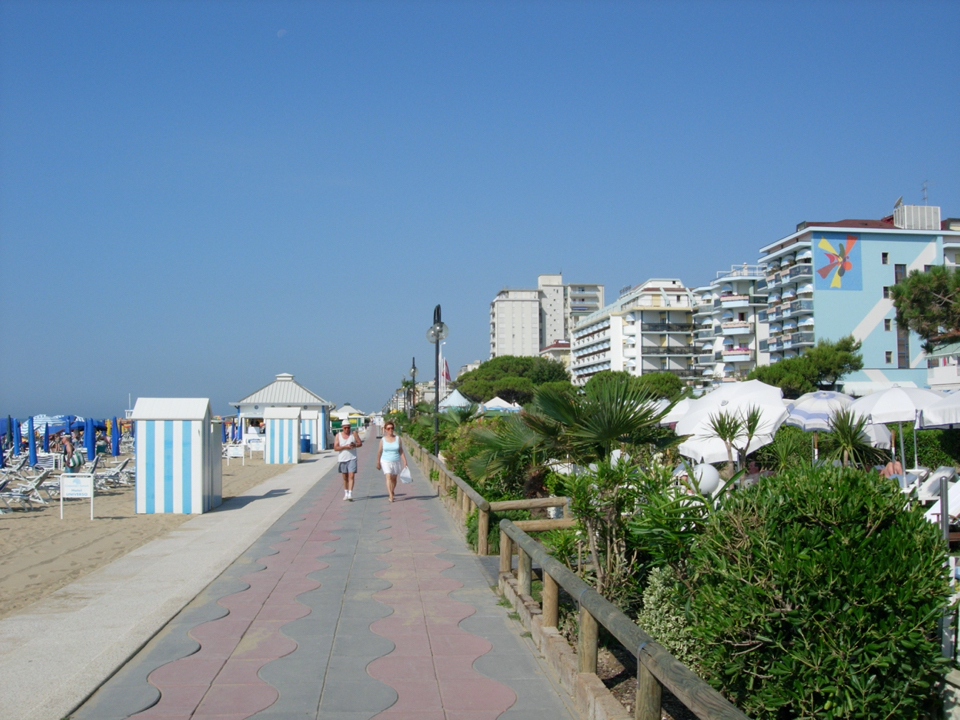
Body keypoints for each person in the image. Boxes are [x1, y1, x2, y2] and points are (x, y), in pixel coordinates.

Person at [376, 420, 407, 502]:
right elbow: (379, 451)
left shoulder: (398, 439)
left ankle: (392, 491)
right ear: (385, 430)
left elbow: (401, 450)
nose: (390, 430)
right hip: (385, 461)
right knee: (388, 476)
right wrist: (378, 462)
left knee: (394, 478)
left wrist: (404, 461)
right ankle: (390, 495)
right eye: (388, 428)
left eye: (392, 428)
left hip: (396, 460)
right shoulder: (383, 440)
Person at [334, 421, 362, 501]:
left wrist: (355, 445)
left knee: (351, 475)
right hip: (342, 459)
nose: (347, 429)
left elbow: (360, 443)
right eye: (345, 427)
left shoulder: (353, 434)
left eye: (348, 427)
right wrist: (344, 447)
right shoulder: (338, 435)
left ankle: (350, 493)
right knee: (345, 477)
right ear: (342, 427)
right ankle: (346, 492)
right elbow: (335, 448)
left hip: (352, 458)